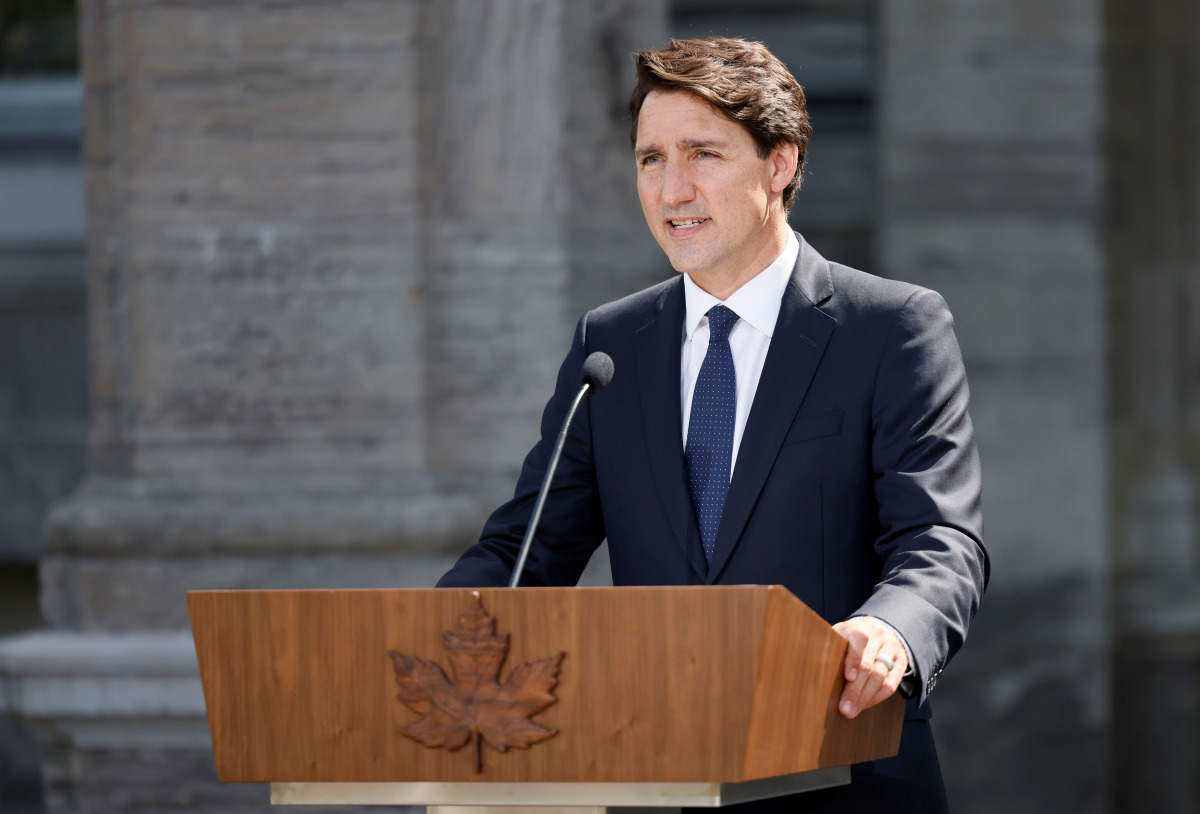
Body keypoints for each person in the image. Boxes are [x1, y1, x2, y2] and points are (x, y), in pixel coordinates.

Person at [438, 36, 987, 813]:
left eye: (703, 154)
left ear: (781, 163)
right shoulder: (610, 346)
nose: (672, 190)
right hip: (653, 772)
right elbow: (526, 550)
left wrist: (889, 635)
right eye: (650, 159)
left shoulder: (892, 328)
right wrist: (420, 640)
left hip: (843, 769)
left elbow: (941, 544)